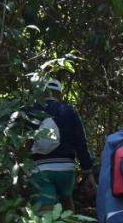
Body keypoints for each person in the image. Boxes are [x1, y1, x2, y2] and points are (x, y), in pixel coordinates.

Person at [24, 78, 95, 212]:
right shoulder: (69, 111)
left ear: (42, 93)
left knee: (46, 211)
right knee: (67, 201)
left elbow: (27, 142)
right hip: (66, 168)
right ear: (60, 95)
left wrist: (25, 168)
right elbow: (80, 143)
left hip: (41, 169)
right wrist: (88, 171)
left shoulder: (32, 112)